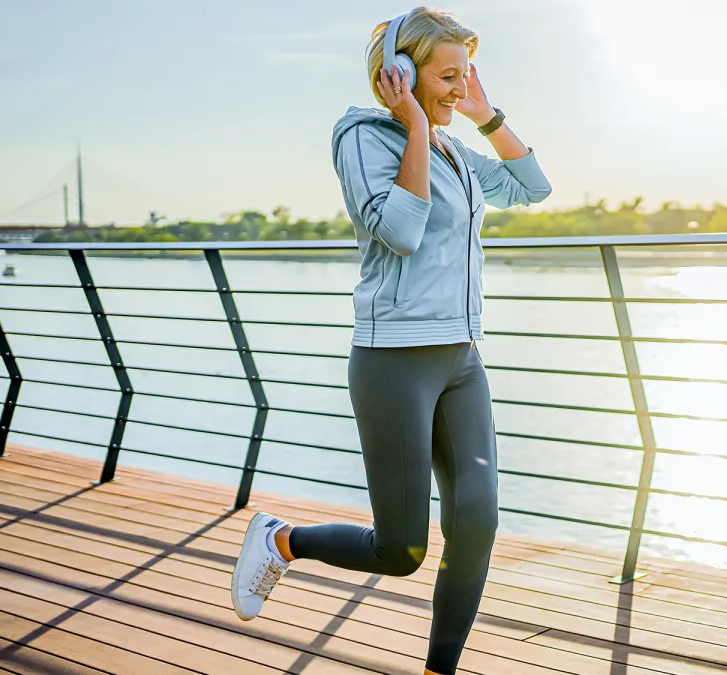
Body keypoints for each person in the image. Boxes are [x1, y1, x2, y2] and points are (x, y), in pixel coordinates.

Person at [229, 7, 551, 675]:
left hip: (462, 358)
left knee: (477, 524)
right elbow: (400, 231)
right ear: (399, 73)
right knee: (400, 550)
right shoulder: (362, 137)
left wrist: (485, 115)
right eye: (448, 75)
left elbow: (532, 187)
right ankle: (282, 540)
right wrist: (414, 127)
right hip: (394, 361)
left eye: (467, 73)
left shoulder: (456, 152)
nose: (460, 87)